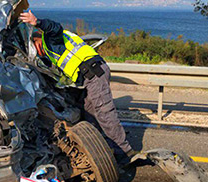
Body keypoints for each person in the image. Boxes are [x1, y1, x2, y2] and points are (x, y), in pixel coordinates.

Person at [19, 10, 136, 166]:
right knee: (89, 113)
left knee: (104, 114)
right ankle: (100, 147)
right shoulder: (57, 44)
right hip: (91, 76)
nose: (36, 52)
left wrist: (37, 22)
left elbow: (55, 27)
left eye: (34, 46)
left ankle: (125, 152)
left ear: (36, 40)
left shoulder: (51, 39)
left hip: (94, 74)